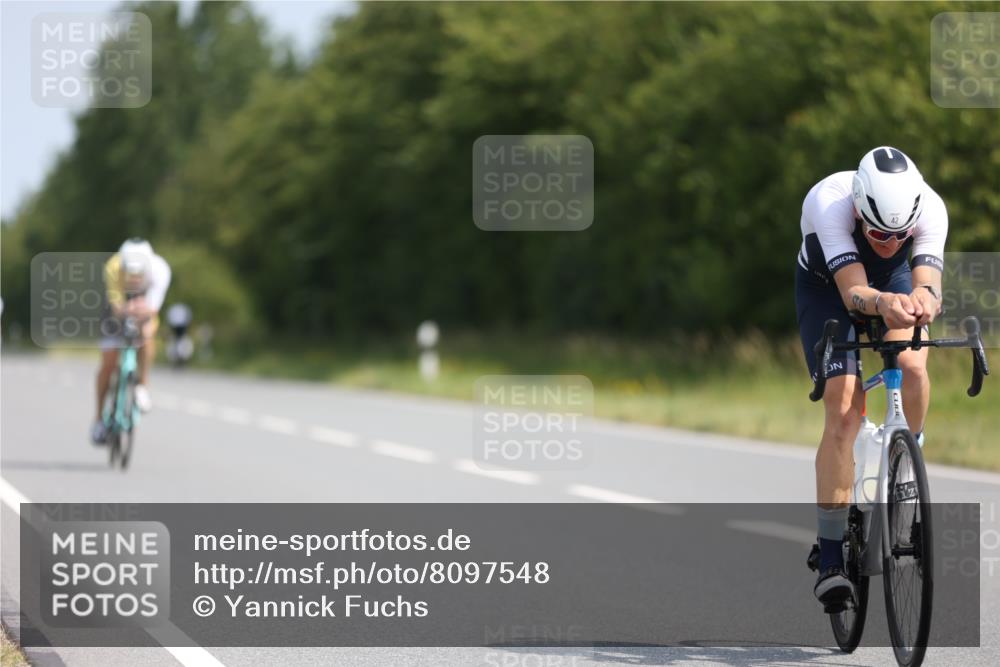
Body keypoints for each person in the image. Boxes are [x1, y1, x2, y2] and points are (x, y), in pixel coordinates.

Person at [795, 147, 946, 610]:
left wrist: (924, 301)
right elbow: (854, 292)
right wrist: (882, 304)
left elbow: (929, 285)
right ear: (859, 212)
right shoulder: (830, 202)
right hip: (828, 287)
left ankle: (907, 457)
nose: (888, 241)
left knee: (914, 363)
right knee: (844, 411)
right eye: (878, 232)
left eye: (899, 234)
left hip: (892, 283)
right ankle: (832, 557)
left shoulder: (931, 208)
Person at [91, 239, 172, 444]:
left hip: (145, 307)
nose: (135, 278)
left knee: (147, 334)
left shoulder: (160, 270)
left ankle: (142, 387)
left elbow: (153, 310)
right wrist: (127, 311)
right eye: (130, 273)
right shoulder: (113, 267)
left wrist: (141, 317)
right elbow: (117, 306)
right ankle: (99, 420)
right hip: (119, 309)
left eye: (139, 274)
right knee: (108, 363)